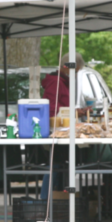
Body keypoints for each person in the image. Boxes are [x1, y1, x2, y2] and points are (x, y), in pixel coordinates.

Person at [39, 53, 86, 199]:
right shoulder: (56, 82)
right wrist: (75, 113)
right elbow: (54, 110)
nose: (76, 74)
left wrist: (76, 112)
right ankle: (45, 200)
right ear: (68, 68)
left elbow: (62, 107)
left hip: (62, 129)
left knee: (60, 165)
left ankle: (57, 199)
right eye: (76, 70)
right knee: (55, 165)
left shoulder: (63, 81)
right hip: (56, 130)